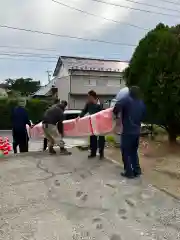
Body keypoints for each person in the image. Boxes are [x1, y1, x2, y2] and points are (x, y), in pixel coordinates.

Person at [113, 86, 146, 179]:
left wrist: (116, 115)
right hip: (137, 131)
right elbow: (144, 116)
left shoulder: (126, 100)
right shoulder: (141, 102)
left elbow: (116, 107)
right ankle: (137, 170)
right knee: (134, 151)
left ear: (129, 93)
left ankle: (129, 172)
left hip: (128, 131)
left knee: (125, 151)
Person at [79, 90, 105, 160]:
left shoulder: (100, 102)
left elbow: (103, 112)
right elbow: (84, 111)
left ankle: (101, 153)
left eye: (89, 97)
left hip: (100, 123)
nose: (88, 98)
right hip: (92, 123)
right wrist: (79, 117)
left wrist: (97, 104)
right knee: (92, 138)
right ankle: (93, 153)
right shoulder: (88, 103)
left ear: (92, 96)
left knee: (101, 138)